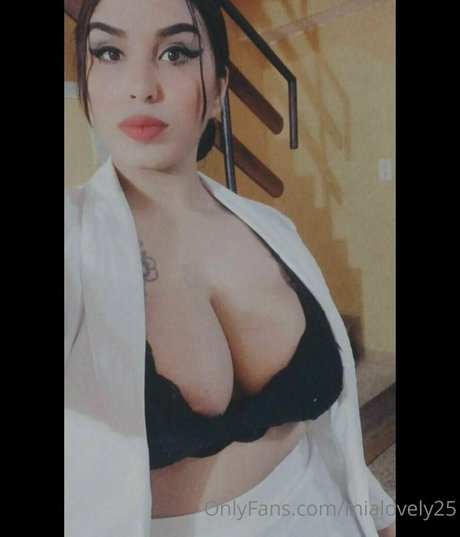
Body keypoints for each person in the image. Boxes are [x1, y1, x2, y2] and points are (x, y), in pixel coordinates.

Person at [64, 0, 396, 535]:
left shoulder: (273, 228)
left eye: (175, 52)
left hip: (326, 510)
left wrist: (379, 517)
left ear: (219, 89)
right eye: (109, 52)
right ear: (85, 82)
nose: (141, 87)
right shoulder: (73, 238)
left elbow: (331, 432)